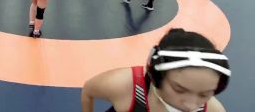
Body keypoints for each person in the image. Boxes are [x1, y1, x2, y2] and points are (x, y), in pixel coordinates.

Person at [81, 28, 230, 112]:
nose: (191, 105)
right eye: (179, 89)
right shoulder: (123, 86)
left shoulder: (213, 110)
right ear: (156, 75)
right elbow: (88, 91)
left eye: (205, 94)